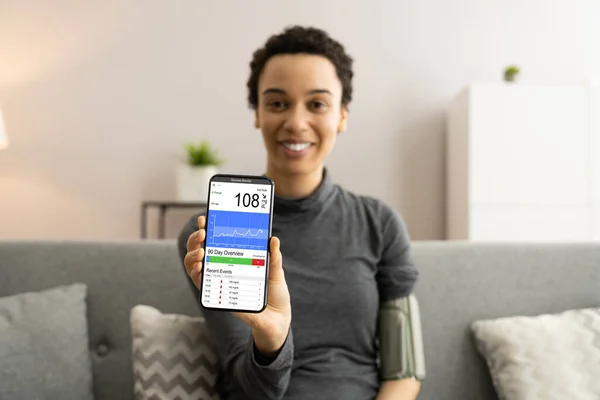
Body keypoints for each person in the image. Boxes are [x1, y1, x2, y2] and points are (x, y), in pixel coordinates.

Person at [178, 25, 421, 400]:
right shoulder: (212, 233)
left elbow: (404, 371)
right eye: (277, 103)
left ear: (342, 115)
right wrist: (272, 337)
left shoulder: (380, 224)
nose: (295, 121)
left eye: (317, 104)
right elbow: (250, 388)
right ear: (257, 113)